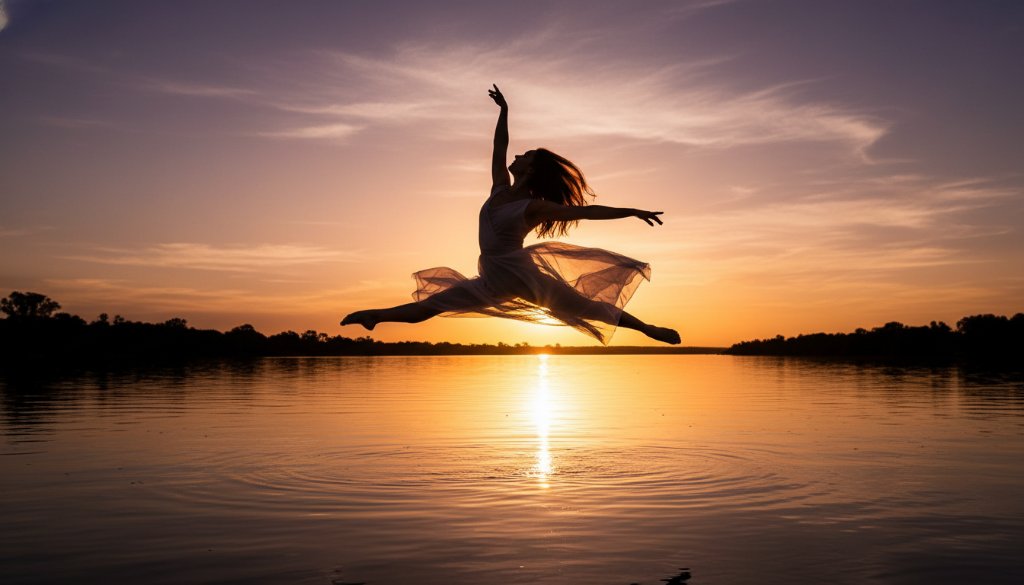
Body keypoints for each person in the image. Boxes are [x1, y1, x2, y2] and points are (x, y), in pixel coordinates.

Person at [341, 85, 680, 345]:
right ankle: (375, 316)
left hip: (519, 272)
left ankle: (648, 329)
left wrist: (632, 211)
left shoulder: (533, 206)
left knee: (585, 307)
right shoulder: (500, 188)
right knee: (432, 306)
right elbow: (499, 147)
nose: (518, 155)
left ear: (532, 169)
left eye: (526, 155)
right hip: (492, 275)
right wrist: (504, 111)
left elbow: (587, 211)